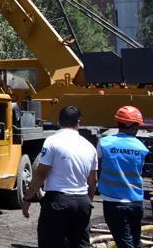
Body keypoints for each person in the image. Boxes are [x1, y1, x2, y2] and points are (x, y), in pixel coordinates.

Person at [23, 106, 98, 248]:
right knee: (80, 243)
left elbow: (41, 173)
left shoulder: (52, 141)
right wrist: (88, 202)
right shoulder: (90, 146)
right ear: (78, 122)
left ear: (59, 121)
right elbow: (93, 180)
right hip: (82, 201)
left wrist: (28, 198)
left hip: (58, 201)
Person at [97, 106, 148, 248]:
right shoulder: (141, 147)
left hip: (113, 201)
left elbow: (95, 167)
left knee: (124, 243)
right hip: (136, 201)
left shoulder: (105, 142)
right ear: (131, 125)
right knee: (135, 241)